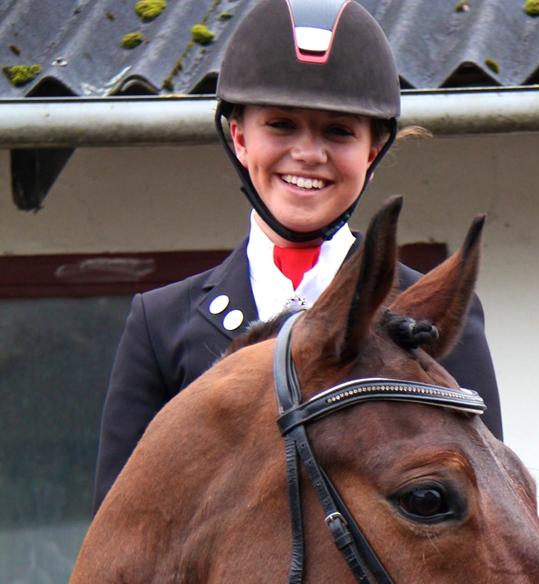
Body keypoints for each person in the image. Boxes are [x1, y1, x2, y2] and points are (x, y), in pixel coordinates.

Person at [92, 0, 502, 510]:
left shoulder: (427, 319)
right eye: (281, 125)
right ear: (240, 138)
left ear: (371, 152)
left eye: (339, 131)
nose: (309, 153)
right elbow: (123, 539)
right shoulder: (160, 325)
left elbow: (485, 515)